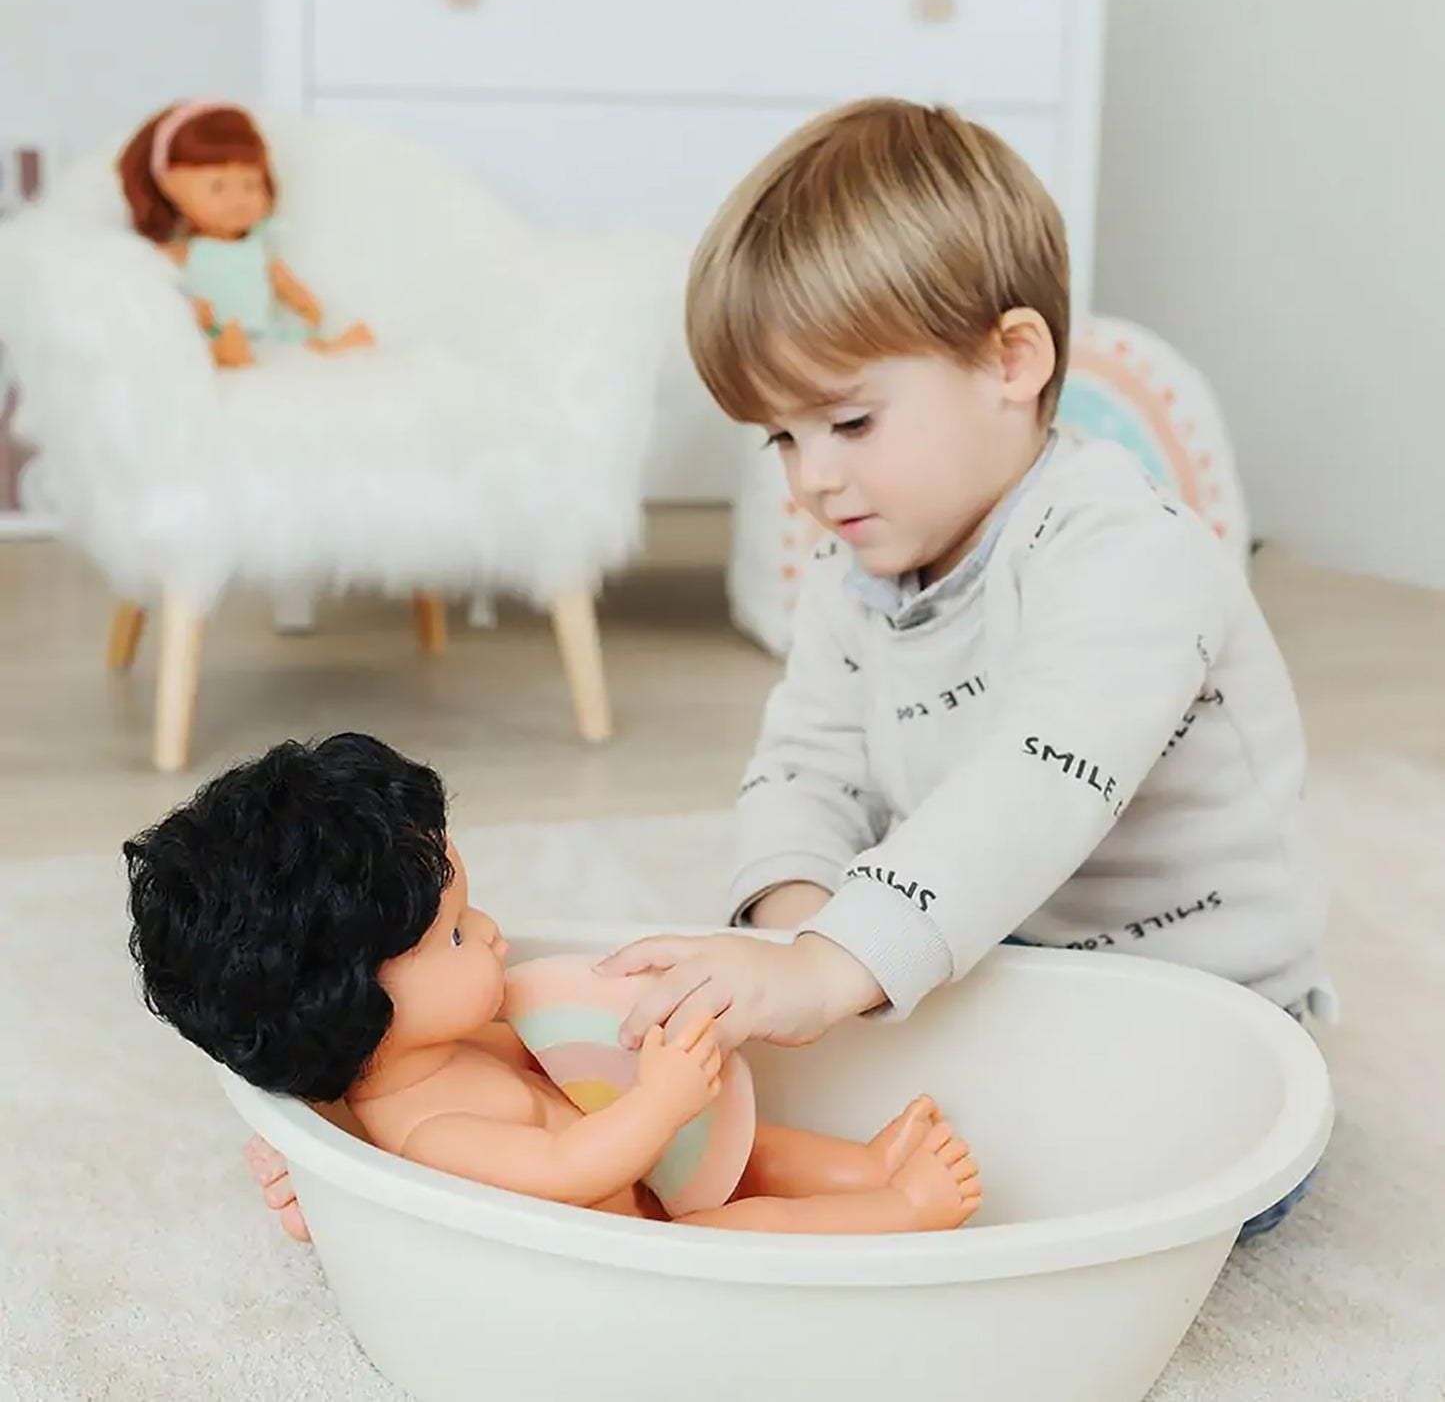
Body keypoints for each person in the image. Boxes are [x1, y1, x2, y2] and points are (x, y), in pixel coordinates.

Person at [592, 98, 1333, 1237]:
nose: (810, 482)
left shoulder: (1127, 548)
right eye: (781, 439)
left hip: (1192, 1012)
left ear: (1009, 358)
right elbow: (806, 761)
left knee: (1050, 1204)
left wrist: (836, 965)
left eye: (846, 421)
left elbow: (1039, 780)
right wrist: (795, 933)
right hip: (997, 961)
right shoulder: (854, 574)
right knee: (747, 1108)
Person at [126, 733, 981, 1241]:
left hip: (652, 1176)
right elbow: (567, 1166)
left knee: (758, 1148)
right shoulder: (434, 1133)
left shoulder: (448, 1047)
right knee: (751, 1231)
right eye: (458, 933)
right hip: (638, 1245)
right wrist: (658, 1101)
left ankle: (862, 1166)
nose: (492, 930)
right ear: (353, 1004)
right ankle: (901, 1210)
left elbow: (561, 1068)